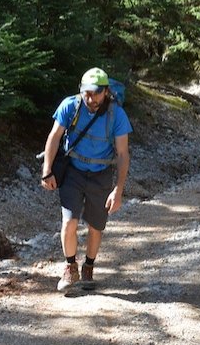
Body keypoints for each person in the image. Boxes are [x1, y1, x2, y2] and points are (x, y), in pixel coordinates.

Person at [40, 67, 132, 293]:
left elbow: (122, 154)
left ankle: (88, 266)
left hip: (101, 174)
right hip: (73, 171)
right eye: (86, 93)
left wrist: (118, 190)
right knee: (69, 221)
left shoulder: (117, 115)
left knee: (95, 225)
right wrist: (47, 170)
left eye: (95, 94)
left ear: (105, 92)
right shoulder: (70, 106)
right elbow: (54, 137)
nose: (90, 98)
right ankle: (70, 267)